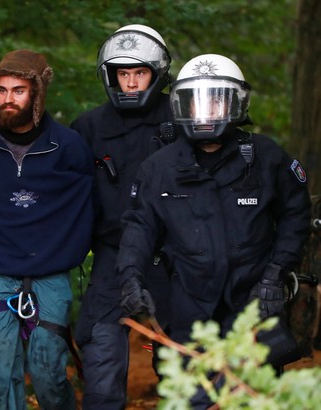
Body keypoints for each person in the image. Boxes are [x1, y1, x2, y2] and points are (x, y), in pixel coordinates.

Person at [117, 54, 311, 408]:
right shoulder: (159, 168)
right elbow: (138, 227)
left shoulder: (267, 159)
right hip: (188, 306)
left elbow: (295, 216)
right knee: (192, 399)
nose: (205, 111)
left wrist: (275, 274)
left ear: (236, 103)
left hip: (253, 304)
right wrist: (130, 278)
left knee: (253, 398)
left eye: (216, 99)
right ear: (180, 105)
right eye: (195, 100)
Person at [0, 49, 94, 409]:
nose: (8, 99)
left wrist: (71, 251)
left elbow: (88, 204)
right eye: (2, 90)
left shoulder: (67, 146)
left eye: (18, 90)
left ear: (36, 94)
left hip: (51, 271)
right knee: (4, 371)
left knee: (48, 370)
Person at [69, 24, 173, 409]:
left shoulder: (184, 119)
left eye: (139, 73)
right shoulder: (88, 127)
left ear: (157, 73)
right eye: (122, 74)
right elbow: (63, 193)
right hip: (111, 255)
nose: (130, 83)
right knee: (100, 356)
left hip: (175, 257)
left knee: (183, 357)